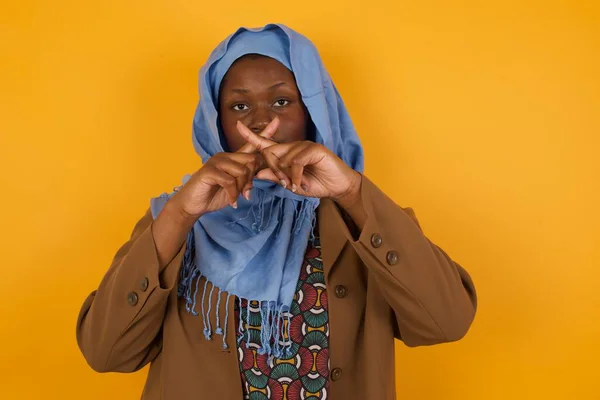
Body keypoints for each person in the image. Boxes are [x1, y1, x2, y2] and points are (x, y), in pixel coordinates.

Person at [76, 23, 477, 400]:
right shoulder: (177, 220)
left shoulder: (362, 217)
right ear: (216, 123)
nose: (262, 122)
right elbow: (106, 353)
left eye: (282, 101)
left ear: (313, 114)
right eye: (238, 107)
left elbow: (447, 322)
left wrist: (353, 192)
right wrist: (180, 216)